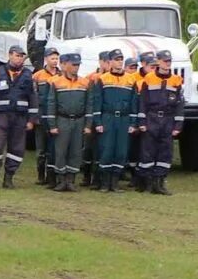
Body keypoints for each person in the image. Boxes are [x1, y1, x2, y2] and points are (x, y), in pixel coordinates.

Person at [0, 45, 33, 189]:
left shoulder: (28, 75)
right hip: (1, 117)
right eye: (17, 55)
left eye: (22, 56)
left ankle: (9, 178)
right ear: (10, 55)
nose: (20, 59)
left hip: (20, 118)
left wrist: (31, 120)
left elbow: (33, 98)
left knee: (17, 150)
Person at [90, 48, 139, 192]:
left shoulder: (131, 80)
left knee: (121, 151)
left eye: (121, 59)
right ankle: (105, 183)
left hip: (123, 119)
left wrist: (133, 123)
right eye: (116, 59)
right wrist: (98, 122)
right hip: (108, 118)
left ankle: (115, 183)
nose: (119, 62)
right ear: (110, 61)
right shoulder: (103, 79)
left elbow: (134, 103)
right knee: (107, 149)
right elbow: (97, 101)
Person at [137, 50, 184, 195]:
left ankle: (160, 183)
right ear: (158, 61)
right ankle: (147, 182)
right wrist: (142, 121)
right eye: (164, 61)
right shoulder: (149, 78)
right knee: (148, 152)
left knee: (165, 152)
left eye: (169, 61)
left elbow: (179, 105)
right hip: (152, 118)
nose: (167, 63)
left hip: (168, 119)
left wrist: (178, 125)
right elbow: (142, 102)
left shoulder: (176, 80)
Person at [45, 50, 91, 191]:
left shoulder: (85, 82)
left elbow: (89, 104)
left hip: (79, 121)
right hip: (62, 120)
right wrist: (52, 125)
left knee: (76, 151)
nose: (76, 67)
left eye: (77, 65)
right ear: (66, 65)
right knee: (61, 151)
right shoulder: (57, 82)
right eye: (73, 64)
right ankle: (61, 180)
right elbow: (51, 104)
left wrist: (88, 124)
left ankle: (71, 180)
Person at [34, 47, 64, 187]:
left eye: (56, 59)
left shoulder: (62, 75)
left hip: (55, 116)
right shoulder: (37, 76)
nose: (55, 61)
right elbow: (33, 97)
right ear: (45, 59)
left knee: (54, 148)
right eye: (52, 58)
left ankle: (52, 175)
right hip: (41, 115)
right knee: (41, 149)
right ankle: (41, 175)